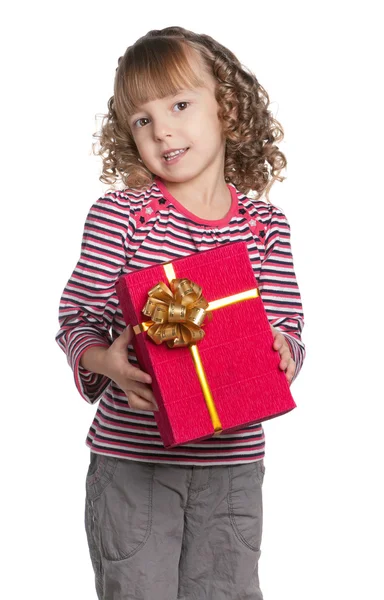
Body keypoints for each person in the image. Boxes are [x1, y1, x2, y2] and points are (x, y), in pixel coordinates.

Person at [55, 25, 305, 600]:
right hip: (134, 466)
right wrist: (107, 362)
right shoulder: (122, 217)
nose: (162, 127)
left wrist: (284, 355)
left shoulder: (265, 227)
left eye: (180, 104)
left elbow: (288, 330)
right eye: (142, 119)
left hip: (233, 469)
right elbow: (77, 320)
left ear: (227, 105)